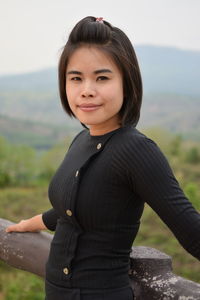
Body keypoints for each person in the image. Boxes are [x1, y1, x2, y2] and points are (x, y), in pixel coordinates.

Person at [5, 16, 200, 300]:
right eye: (76, 78)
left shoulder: (137, 150)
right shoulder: (81, 140)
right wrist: (29, 224)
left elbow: (191, 230)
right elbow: (72, 208)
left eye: (102, 77)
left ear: (127, 83)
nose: (86, 89)